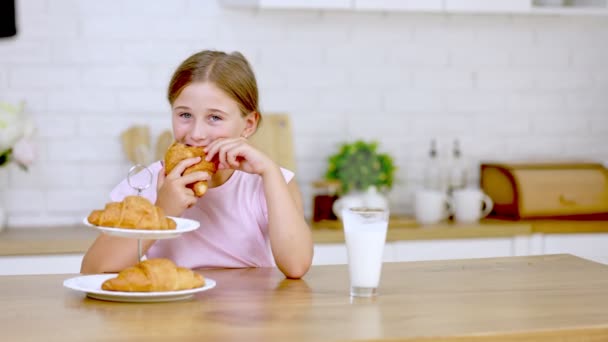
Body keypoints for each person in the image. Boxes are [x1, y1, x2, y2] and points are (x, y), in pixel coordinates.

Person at [81, 50, 313, 279]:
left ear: (248, 125)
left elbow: (296, 266)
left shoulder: (271, 181)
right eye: (184, 115)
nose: (197, 133)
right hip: (174, 310)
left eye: (215, 118)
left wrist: (270, 173)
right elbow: (93, 271)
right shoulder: (144, 183)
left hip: (249, 311)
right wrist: (162, 211)